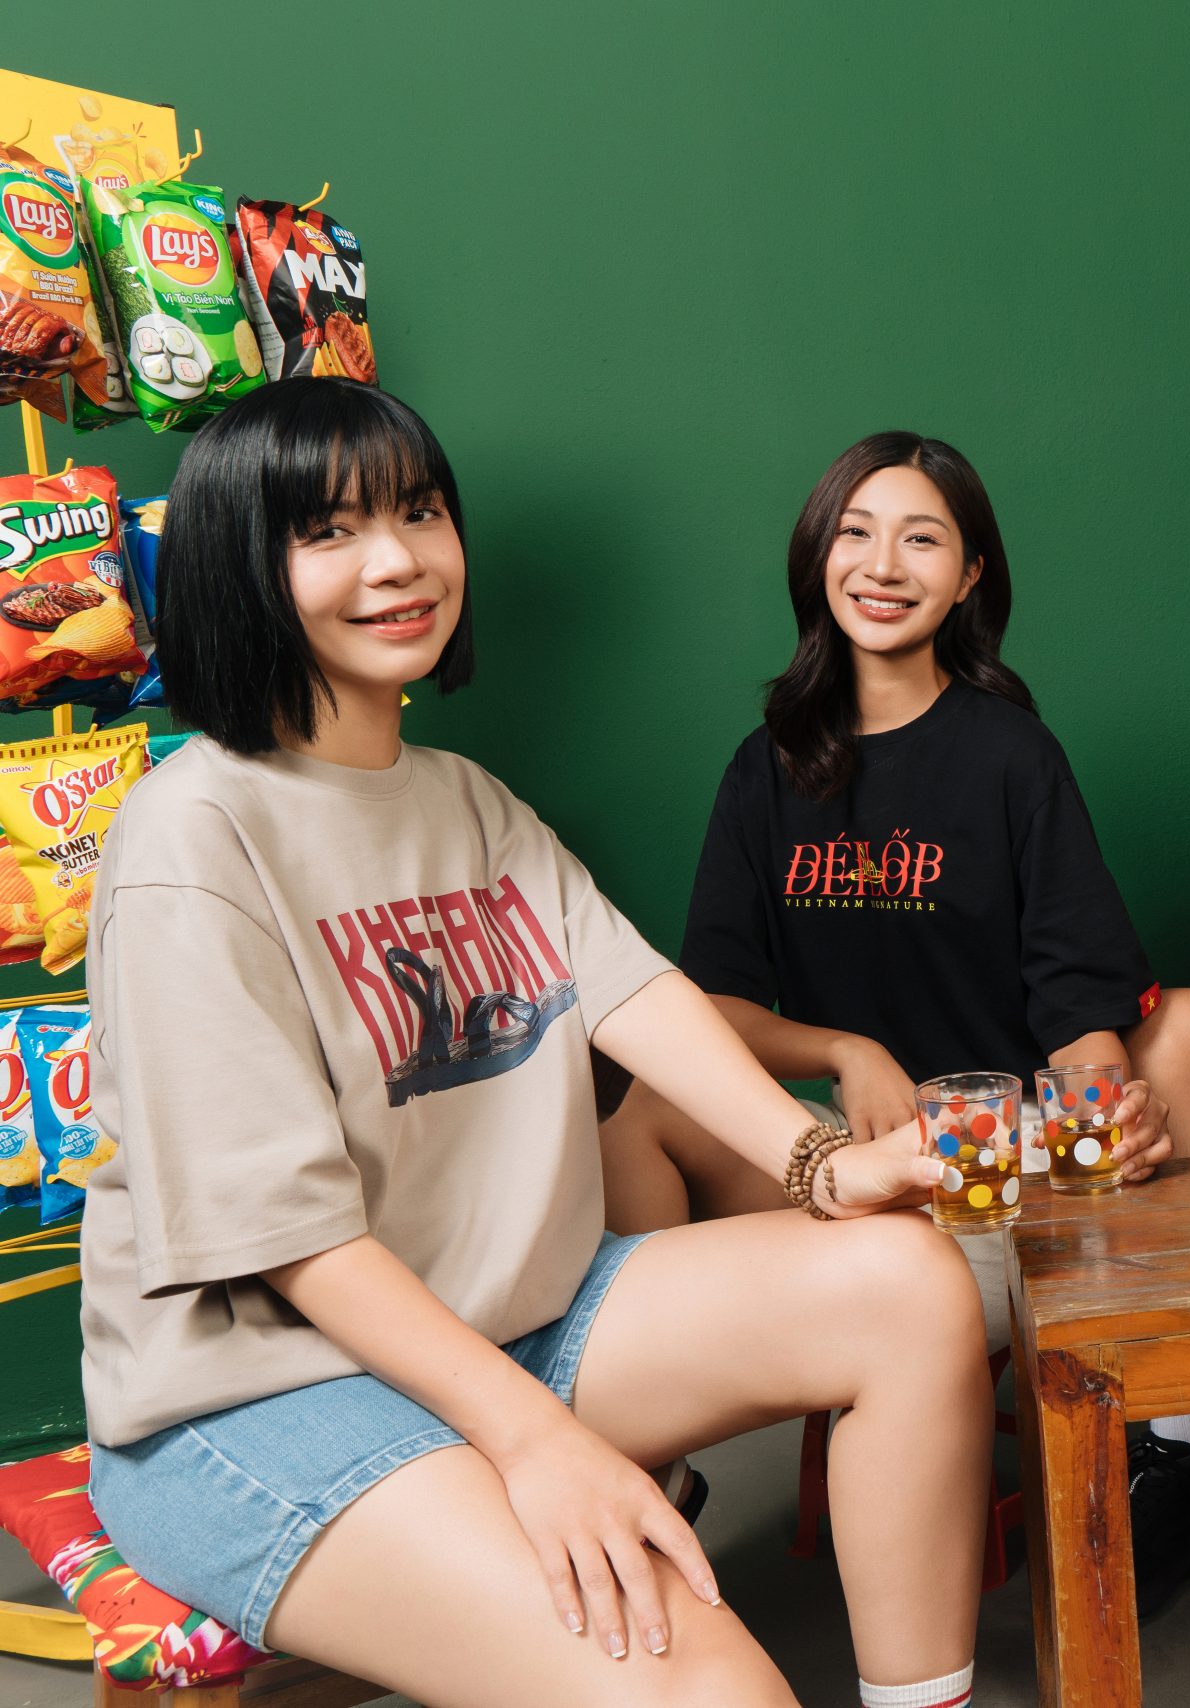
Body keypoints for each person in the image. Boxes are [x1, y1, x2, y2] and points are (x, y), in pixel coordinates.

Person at [77, 378, 990, 1708]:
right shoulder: (192, 837)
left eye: (419, 512)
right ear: (239, 569)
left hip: (516, 1318)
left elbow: (633, 996)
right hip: (258, 1399)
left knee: (909, 1281)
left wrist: (820, 1165)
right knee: (711, 1687)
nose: (398, 560)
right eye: (328, 531)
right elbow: (289, 1237)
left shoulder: (467, 802)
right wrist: (539, 1443)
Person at [600, 430, 1190, 1614]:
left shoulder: (1011, 757)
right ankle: (641, 1470)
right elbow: (710, 1007)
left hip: (989, 1165)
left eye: (921, 538)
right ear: (817, 555)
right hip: (837, 1150)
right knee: (641, 1114)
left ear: (970, 573)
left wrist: (1105, 1114)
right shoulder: (766, 767)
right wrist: (845, 1050)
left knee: (1136, 1129)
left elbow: (1079, 1008)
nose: (883, 564)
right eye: (856, 533)